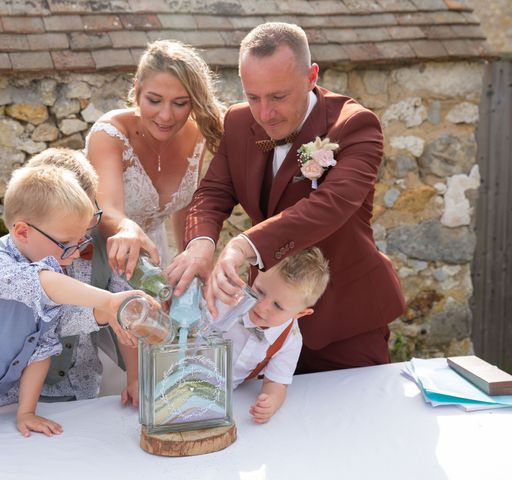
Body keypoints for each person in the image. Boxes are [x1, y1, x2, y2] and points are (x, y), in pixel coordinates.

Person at [167, 22, 406, 374]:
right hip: (265, 319)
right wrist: (200, 244)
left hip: (345, 320)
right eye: (253, 97)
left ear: (311, 76)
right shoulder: (237, 121)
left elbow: (331, 205)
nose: (265, 114)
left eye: (278, 97)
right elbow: (214, 191)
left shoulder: (356, 125)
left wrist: (242, 246)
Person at [0, 165, 152, 436]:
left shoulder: (54, 270)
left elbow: (46, 343)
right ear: (22, 232)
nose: (74, 254)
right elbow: (43, 283)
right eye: (67, 243)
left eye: (80, 241)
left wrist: (26, 412)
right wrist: (109, 301)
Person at [84, 39, 223, 279]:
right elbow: (107, 209)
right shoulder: (109, 134)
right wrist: (126, 227)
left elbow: (185, 209)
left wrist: (189, 261)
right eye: (154, 100)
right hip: (95, 251)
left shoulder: (196, 134)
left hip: (150, 257)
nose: (166, 116)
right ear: (137, 89)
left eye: (180, 103)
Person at [25, 148, 139, 406]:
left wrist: (135, 378)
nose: (83, 232)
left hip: (85, 386)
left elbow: (124, 310)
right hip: (26, 395)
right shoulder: (24, 253)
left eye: (90, 215)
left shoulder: (103, 243)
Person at [221, 247, 329, 423]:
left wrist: (270, 401)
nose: (261, 307)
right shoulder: (226, 299)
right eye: (260, 291)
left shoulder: (289, 340)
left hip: (221, 398)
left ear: (299, 314)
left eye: (278, 306)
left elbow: (276, 383)